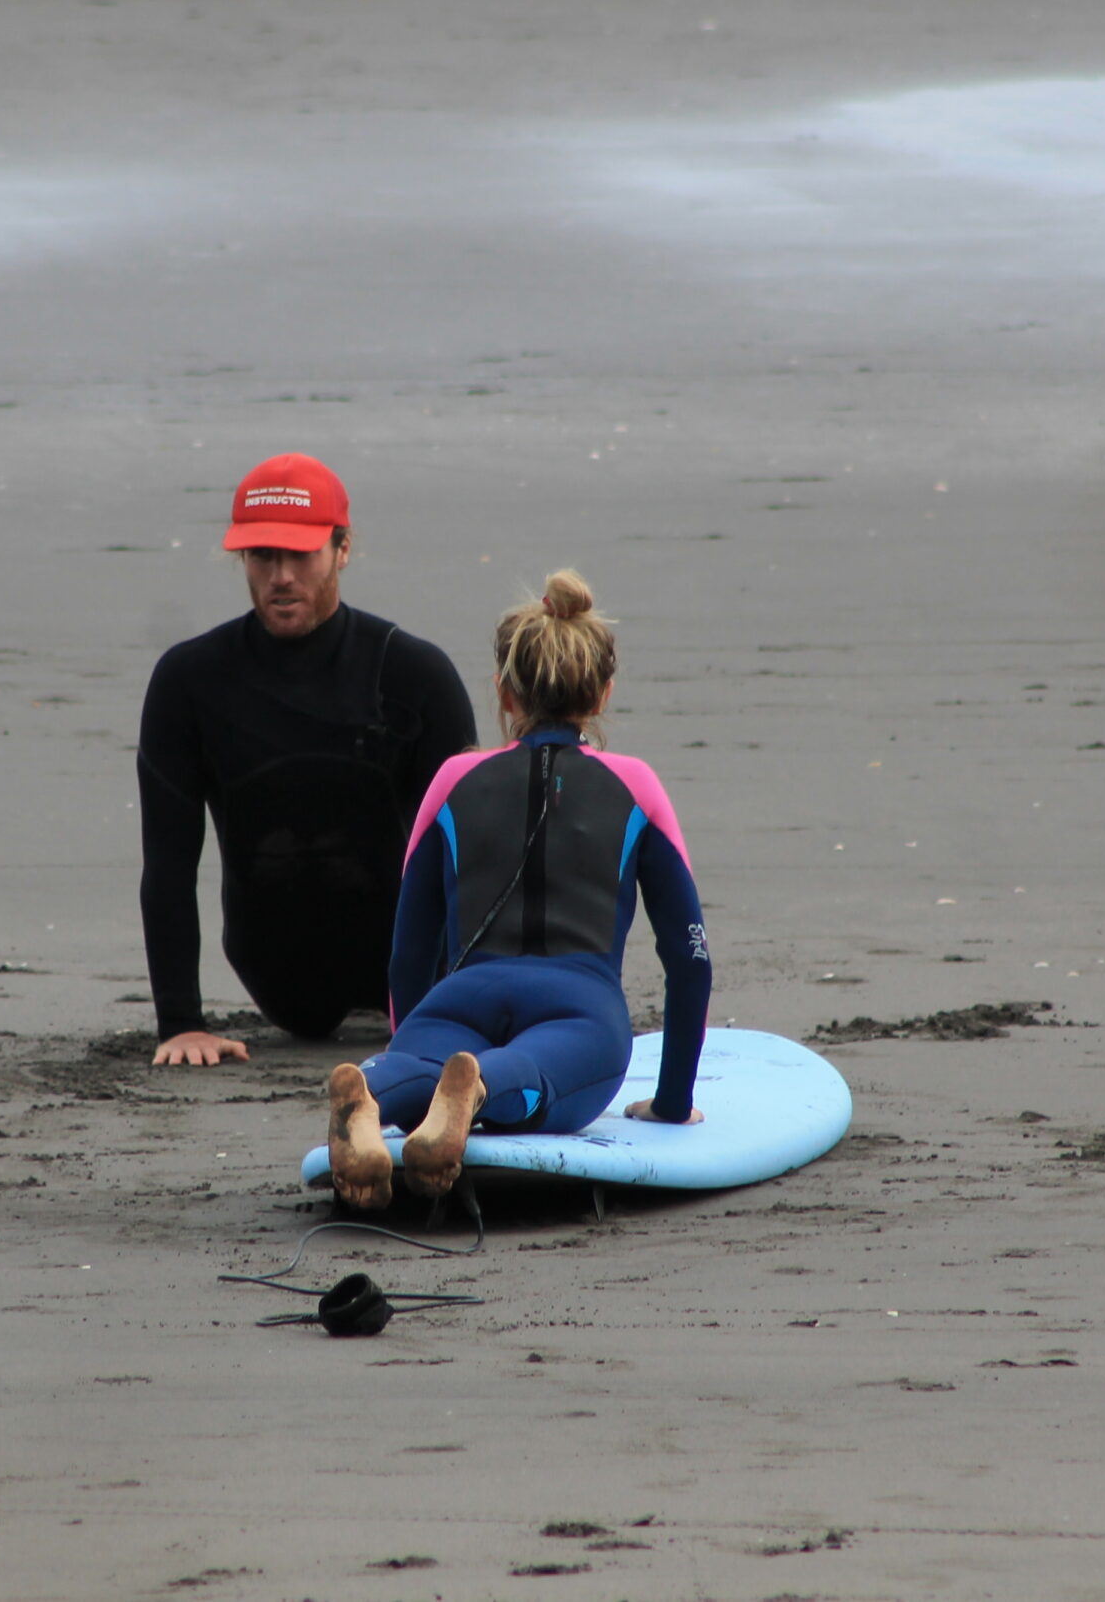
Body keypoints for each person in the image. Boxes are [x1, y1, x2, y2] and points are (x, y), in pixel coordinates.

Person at [325, 569, 709, 1209]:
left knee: (415, 1069)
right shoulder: (635, 785)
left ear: (505, 693)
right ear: (602, 693)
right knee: (527, 1075)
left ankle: (373, 1095)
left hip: (461, 999)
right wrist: (672, 1103)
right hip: (577, 1004)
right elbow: (689, 960)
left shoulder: (452, 779)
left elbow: (407, 953)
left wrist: (413, 1029)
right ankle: (474, 1092)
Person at [139, 453, 479, 1066]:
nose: (281, 576)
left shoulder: (413, 673)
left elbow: (472, 856)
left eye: (301, 554)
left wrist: (470, 1001)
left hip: (407, 964)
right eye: (263, 555)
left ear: (343, 548)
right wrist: (182, 1022)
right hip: (276, 972)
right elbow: (167, 862)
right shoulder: (190, 682)